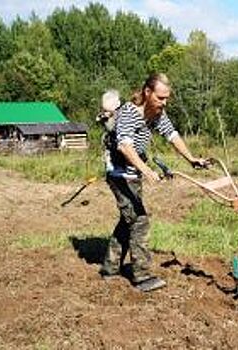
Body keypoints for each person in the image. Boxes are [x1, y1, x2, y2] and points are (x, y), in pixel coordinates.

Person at [99, 73, 208, 292]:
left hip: (133, 171)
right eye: (160, 98)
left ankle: (110, 268)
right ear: (148, 93)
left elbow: (172, 135)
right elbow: (124, 146)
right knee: (139, 220)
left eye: (167, 98)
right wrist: (147, 170)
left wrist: (191, 158)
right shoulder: (130, 112)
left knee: (128, 218)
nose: (164, 103)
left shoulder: (157, 114)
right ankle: (142, 276)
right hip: (119, 173)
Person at [96, 89, 121, 173]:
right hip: (110, 148)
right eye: (105, 110)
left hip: (121, 148)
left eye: (108, 111)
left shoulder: (120, 116)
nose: (106, 113)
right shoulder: (104, 116)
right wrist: (104, 117)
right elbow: (98, 119)